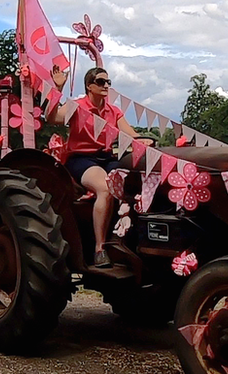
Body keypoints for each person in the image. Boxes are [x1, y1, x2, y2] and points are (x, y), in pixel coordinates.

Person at [46, 65, 153, 268]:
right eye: (101, 82)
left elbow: (131, 134)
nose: (106, 86)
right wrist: (57, 88)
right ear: (89, 86)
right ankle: (100, 249)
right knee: (105, 188)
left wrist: (144, 141)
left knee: (134, 182)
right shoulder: (76, 107)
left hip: (106, 157)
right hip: (82, 159)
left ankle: (128, 240)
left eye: (108, 82)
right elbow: (51, 118)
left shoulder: (113, 111)